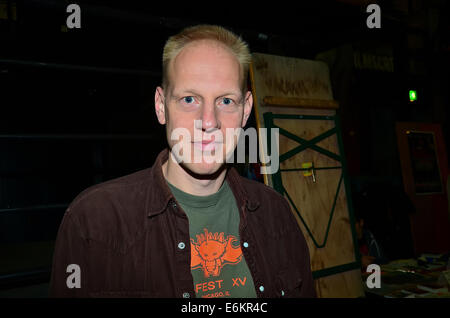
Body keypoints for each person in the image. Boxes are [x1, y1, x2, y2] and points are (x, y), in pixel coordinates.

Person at [49, 24, 316, 298]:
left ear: (246, 110)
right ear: (161, 106)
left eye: (226, 101)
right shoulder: (94, 222)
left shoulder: (276, 214)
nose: (209, 122)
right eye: (189, 99)